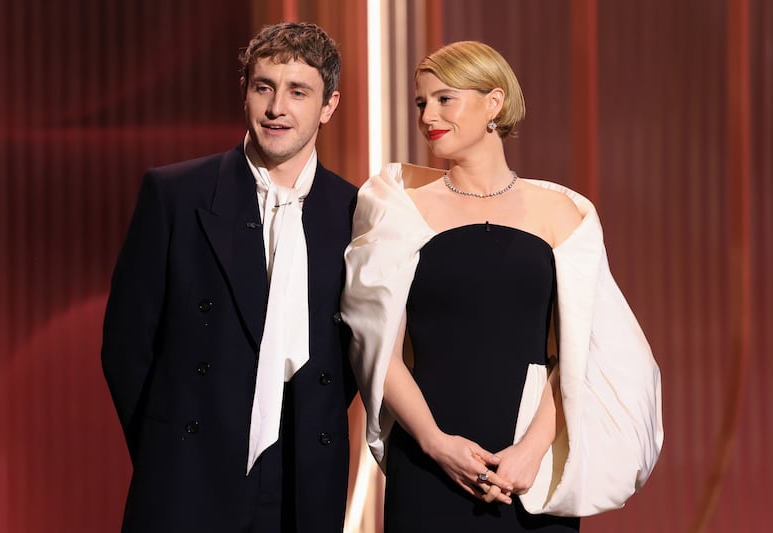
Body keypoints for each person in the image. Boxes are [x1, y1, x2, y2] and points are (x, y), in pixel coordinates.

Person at [341, 41, 663, 532]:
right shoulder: (397, 207)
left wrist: (530, 453)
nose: (429, 114)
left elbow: (581, 353)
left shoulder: (562, 212)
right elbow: (375, 345)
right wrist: (434, 443)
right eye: (421, 102)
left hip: (529, 471)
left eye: (445, 99)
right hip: (427, 458)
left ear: (494, 102)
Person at [101, 22, 358, 533]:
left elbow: (353, 354)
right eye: (263, 87)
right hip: (189, 471)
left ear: (328, 106)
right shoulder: (176, 194)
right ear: (245, 93)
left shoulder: (355, 212)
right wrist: (167, 449)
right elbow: (126, 348)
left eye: (297, 92)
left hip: (303, 474)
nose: (276, 108)